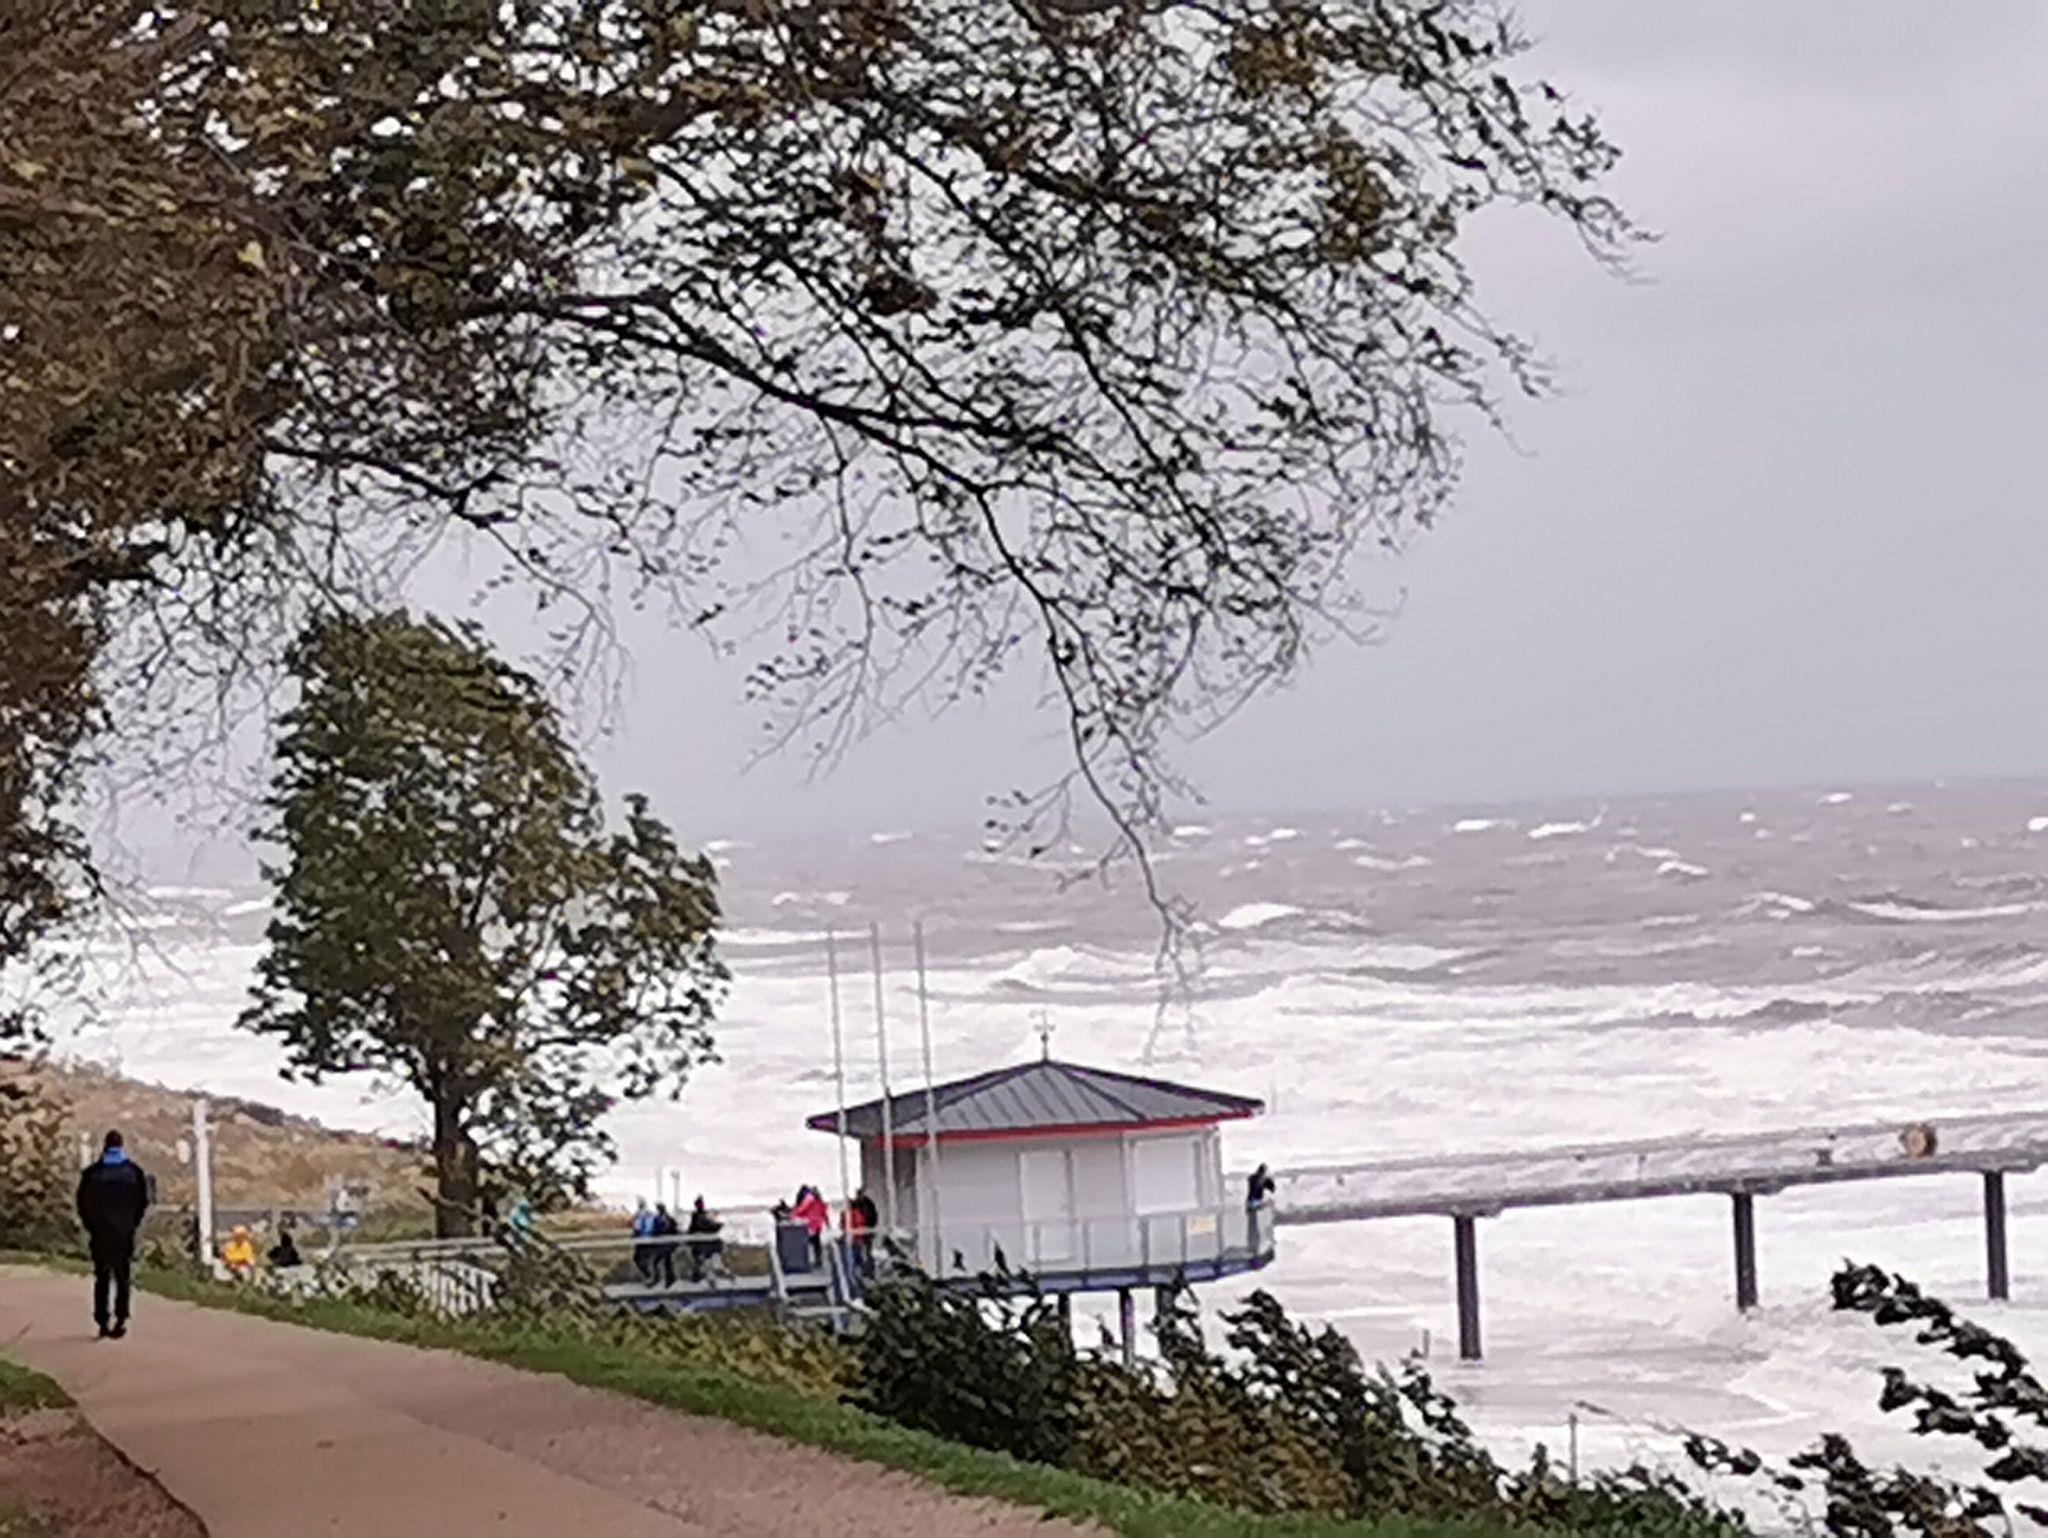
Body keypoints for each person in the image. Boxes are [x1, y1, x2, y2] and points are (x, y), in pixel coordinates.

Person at [75, 1130, 149, 1339]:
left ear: (105, 1146)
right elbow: (142, 1202)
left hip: (100, 1233)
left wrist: (91, 1226)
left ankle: (102, 1320)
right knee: (122, 1276)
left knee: (102, 1276)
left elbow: (82, 1204)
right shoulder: (134, 1172)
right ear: (121, 1145)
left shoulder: (92, 1174)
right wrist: (132, 1224)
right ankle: (121, 1318)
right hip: (124, 1232)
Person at [684, 1196, 723, 1283]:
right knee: (701, 1259)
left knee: (701, 1260)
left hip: (701, 1242)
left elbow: (695, 1228)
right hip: (701, 1242)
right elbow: (702, 1227)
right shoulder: (699, 1216)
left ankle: (700, 1276)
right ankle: (700, 1276)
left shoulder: (698, 1216)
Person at [792, 1184, 830, 1267]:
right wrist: (827, 1224)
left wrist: (793, 1215)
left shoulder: (809, 1201)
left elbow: (800, 1210)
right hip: (817, 1225)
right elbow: (825, 1214)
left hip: (810, 1225)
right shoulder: (821, 1203)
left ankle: (807, 1260)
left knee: (806, 1243)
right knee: (816, 1243)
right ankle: (818, 1260)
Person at [650, 1203, 681, 1287]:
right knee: (665, 1263)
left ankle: (665, 1280)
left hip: (665, 1245)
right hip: (665, 1245)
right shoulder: (666, 1218)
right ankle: (669, 1279)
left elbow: (656, 1231)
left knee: (661, 1262)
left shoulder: (663, 1219)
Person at [630, 1199, 657, 1284]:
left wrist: (634, 1237)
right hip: (647, 1240)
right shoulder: (649, 1214)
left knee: (640, 1260)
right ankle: (650, 1276)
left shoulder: (639, 1215)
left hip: (644, 1241)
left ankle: (649, 1276)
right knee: (641, 1259)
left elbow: (637, 1229)